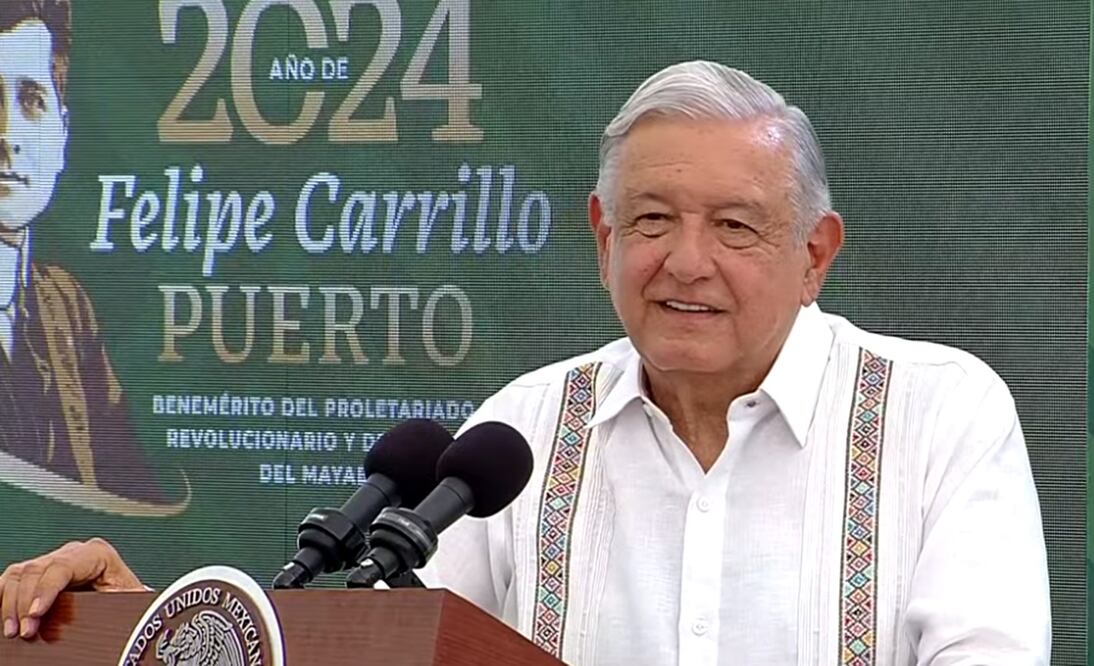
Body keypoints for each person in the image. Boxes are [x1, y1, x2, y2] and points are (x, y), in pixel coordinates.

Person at [0, 61, 1051, 664]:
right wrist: (147, 623)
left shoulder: (936, 416)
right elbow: (368, 653)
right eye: (650, 219)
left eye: (734, 226)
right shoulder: (521, 434)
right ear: (601, 238)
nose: (685, 262)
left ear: (813, 254)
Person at [0, 0, 167, 510]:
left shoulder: (65, 306)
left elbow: (132, 502)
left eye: (30, 100)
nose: (7, 137)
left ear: (63, 134)